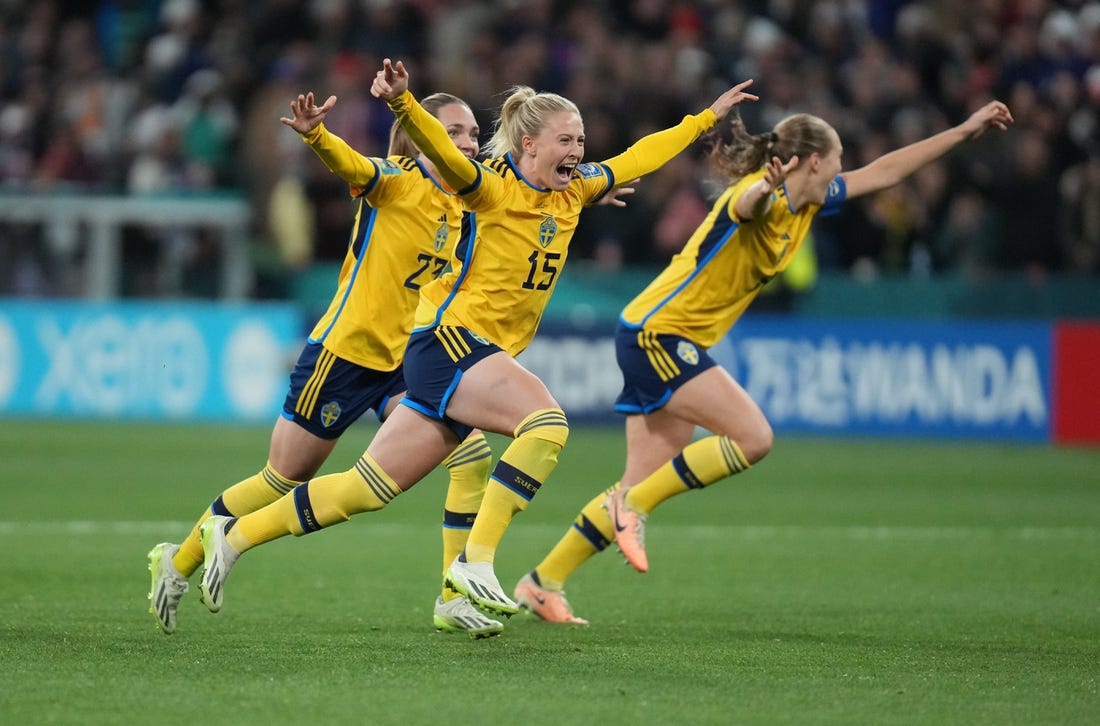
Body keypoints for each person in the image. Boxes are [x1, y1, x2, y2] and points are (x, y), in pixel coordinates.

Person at [193, 58, 759, 623]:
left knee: (364, 489)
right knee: (546, 423)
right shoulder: (488, 188)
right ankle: (476, 564)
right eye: (566, 139)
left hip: (474, 354)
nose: (579, 151)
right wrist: (401, 104)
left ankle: (236, 538)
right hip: (450, 342)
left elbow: (641, 156)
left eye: (581, 140)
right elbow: (439, 151)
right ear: (529, 145)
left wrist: (705, 117)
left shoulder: (574, 192)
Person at [513, 99, 1015, 624]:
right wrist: (763, 188)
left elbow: (886, 171)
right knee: (754, 438)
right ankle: (632, 507)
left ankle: (542, 582)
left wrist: (961, 131)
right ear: (812, 162)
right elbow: (747, 204)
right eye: (838, 157)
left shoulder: (812, 204)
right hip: (657, 335)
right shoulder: (756, 198)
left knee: (641, 476)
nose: (844, 168)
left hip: (663, 336)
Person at [148, 89, 509, 638]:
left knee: (472, 456)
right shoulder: (395, 180)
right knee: (283, 476)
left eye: (471, 135)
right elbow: (352, 164)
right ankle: (176, 563)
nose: (467, 143)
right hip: (344, 354)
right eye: (453, 132)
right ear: (420, 137)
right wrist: (317, 135)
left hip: (404, 360)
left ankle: (451, 596)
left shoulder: (467, 204)